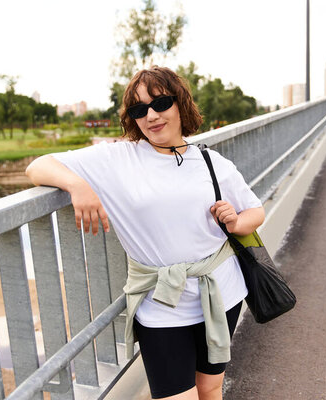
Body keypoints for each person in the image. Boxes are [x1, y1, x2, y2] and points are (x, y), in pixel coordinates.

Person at [25, 66, 265, 400]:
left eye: (160, 103)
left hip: (220, 290)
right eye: (139, 109)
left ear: (180, 103)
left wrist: (236, 223)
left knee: (209, 388)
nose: (150, 115)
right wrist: (77, 185)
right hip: (160, 301)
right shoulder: (118, 158)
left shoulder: (212, 162)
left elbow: (256, 211)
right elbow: (37, 166)